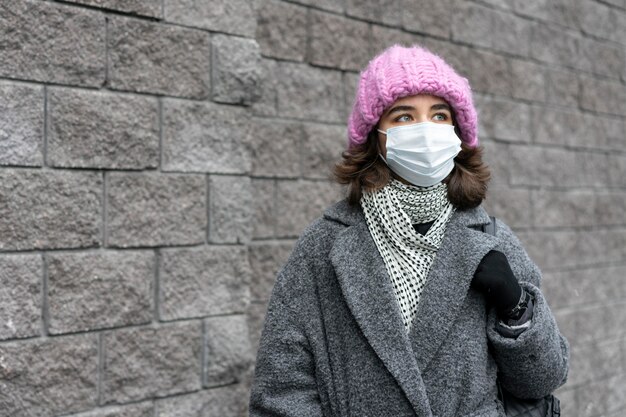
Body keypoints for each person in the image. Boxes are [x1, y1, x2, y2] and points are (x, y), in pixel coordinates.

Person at [248, 44, 570, 417]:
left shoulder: (490, 238)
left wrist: (516, 306)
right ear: (375, 136)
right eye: (403, 117)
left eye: (439, 115)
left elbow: (543, 379)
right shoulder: (324, 245)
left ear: (457, 132)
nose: (425, 131)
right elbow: (282, 390)